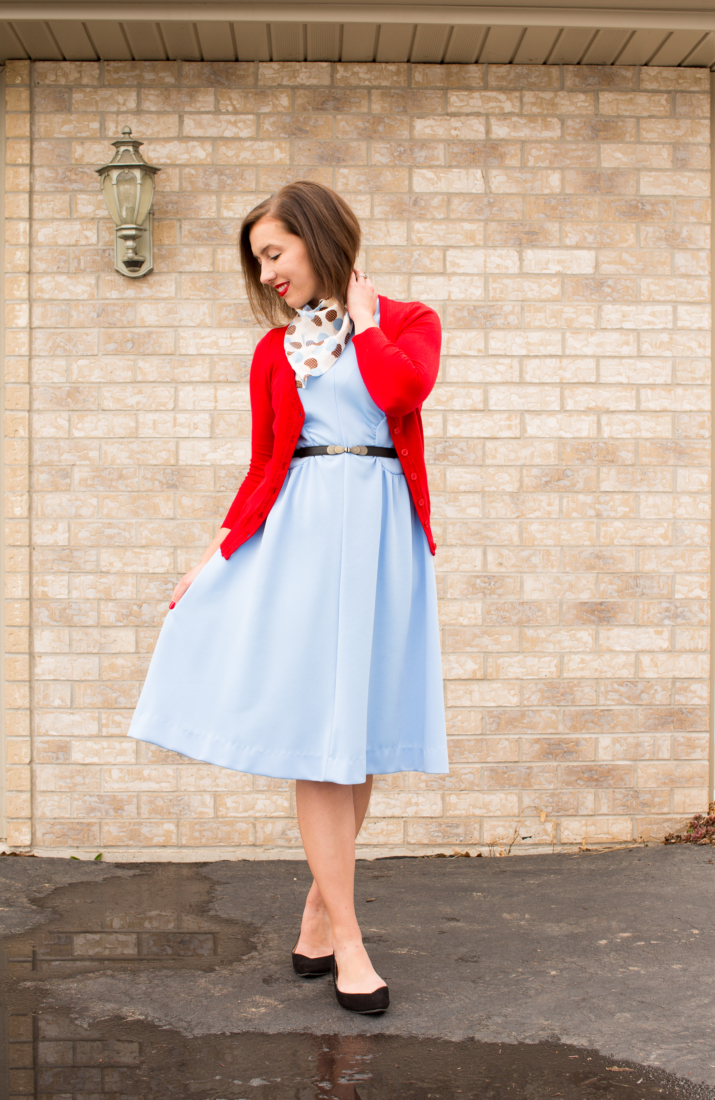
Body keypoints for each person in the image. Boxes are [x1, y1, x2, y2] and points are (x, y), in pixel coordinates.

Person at [128, 180, 449, 1014]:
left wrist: (365, 322)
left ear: (315, 237)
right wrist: (212, 555)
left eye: (275, 253)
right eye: (258, 262)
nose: (267, 274)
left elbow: (400, 394)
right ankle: (349, 940)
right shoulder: (277, 352)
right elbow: (267, 463)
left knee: (362, 734)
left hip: (384, 542)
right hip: (303, 540)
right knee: (320, 738)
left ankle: (316, 908)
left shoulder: (408, 322)